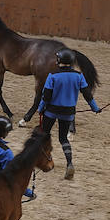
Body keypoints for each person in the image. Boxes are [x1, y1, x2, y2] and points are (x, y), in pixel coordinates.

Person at [31, 49, 101, 180]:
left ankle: (39, 160)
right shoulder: (79, 76)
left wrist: (40, 108)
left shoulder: (52, 76)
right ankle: (69, 163)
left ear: (59, 61)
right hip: (68, 113)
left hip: (51, 111)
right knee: (63, 138)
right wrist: (95, 108)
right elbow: (87, 95)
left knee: (44, 134)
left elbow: (46, 96)